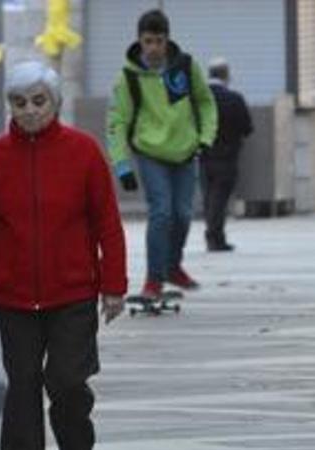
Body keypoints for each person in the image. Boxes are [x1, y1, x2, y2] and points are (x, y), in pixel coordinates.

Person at [0, 61, 127, 450]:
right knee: (21, 395)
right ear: (10, 107)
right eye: (20, 103)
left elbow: (107, 222)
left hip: (72, 292)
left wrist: (114, 285)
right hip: (13, 297)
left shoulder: (84, 151)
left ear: (55, 102)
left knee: (68, 383)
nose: (30, 111)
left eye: (39, 101)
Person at [107, 9, 218, 297]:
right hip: (150, 152)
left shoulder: (184, 66)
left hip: (185, 151)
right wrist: (122, 165)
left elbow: (206, 103)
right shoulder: (129, 77)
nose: (154, 48)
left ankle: (172, 266)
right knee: (161, 213)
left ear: (167, 40)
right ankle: (153, 278)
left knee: (183, 214)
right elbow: (117, 121)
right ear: (139, 41)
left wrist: (205, 138)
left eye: (159, 41)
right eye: (148, 41)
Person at [201, 58, 253, 252]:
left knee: (209, 196)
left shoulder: (200, 100)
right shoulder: (234, 99)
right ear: (226, 75)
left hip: (204, 155)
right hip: (227, 156)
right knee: (220, 198)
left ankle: (214, 235)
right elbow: (247, 127)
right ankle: (215, 237)